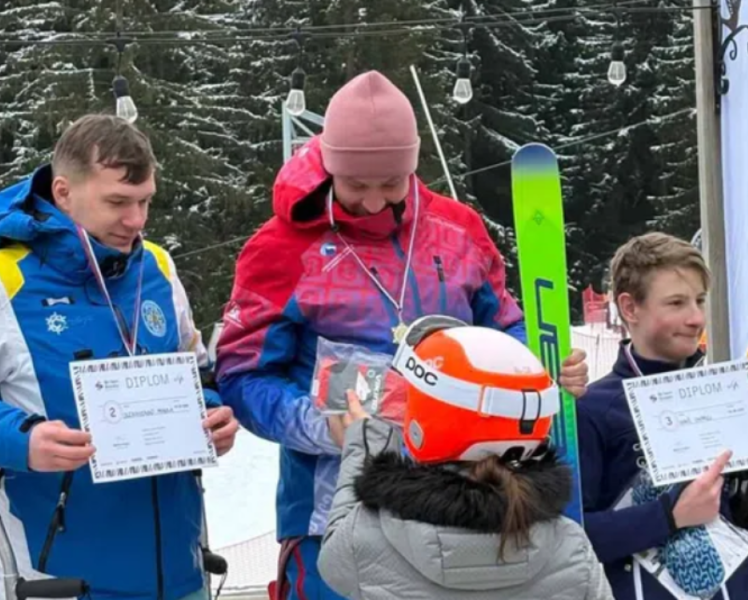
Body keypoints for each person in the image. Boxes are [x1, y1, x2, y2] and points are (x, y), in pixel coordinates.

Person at [215, 70, 589, 599]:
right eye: (356, 186)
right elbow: (241, 374)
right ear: (328, 165)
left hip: (465, 501)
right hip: (333, 511)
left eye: (391, 183)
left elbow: (504, 328)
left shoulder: (458, 229)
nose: (373, 202)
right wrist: (323, 426)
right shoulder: (280, 248)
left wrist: (542, 362)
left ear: (414, 165)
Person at [0, 114, 239, 600]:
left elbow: (196, 371)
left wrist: (210, 412)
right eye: (117, 202)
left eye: (145, 200)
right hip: (63, 583)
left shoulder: (158, 268)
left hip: (183, 575)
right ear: (63, 193)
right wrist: (18, 438)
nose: (137, 220)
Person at [317, 316, 613, 600]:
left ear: (423, 425)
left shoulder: (368, 539)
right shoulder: (571, 545)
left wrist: (364, 446)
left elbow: (333, 558)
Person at [576, 232, 748, 599]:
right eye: (676, 303)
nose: (696, 317)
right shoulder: (593, 408)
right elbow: (572, 541)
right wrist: (666, 516)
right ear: (630, 308)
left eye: (700, 300)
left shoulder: (726, 396)